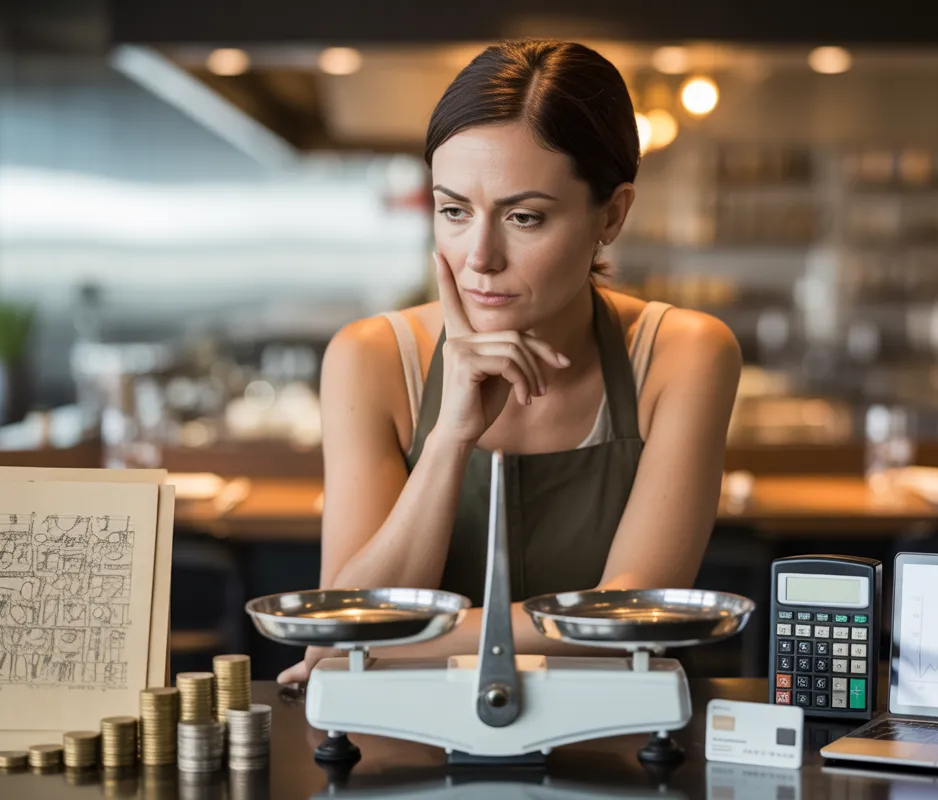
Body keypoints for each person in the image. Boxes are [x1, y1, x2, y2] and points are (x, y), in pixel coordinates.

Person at [277, 38, 741, 684]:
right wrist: (450, 438)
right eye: (453, 211)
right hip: (399, 750)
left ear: (612, 214)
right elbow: (349, 622)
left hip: (607, 748)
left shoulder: (683, 353)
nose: (479, 257)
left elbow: (632, 619)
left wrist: (383, 642)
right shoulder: (373, 357)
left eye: (523, 217)